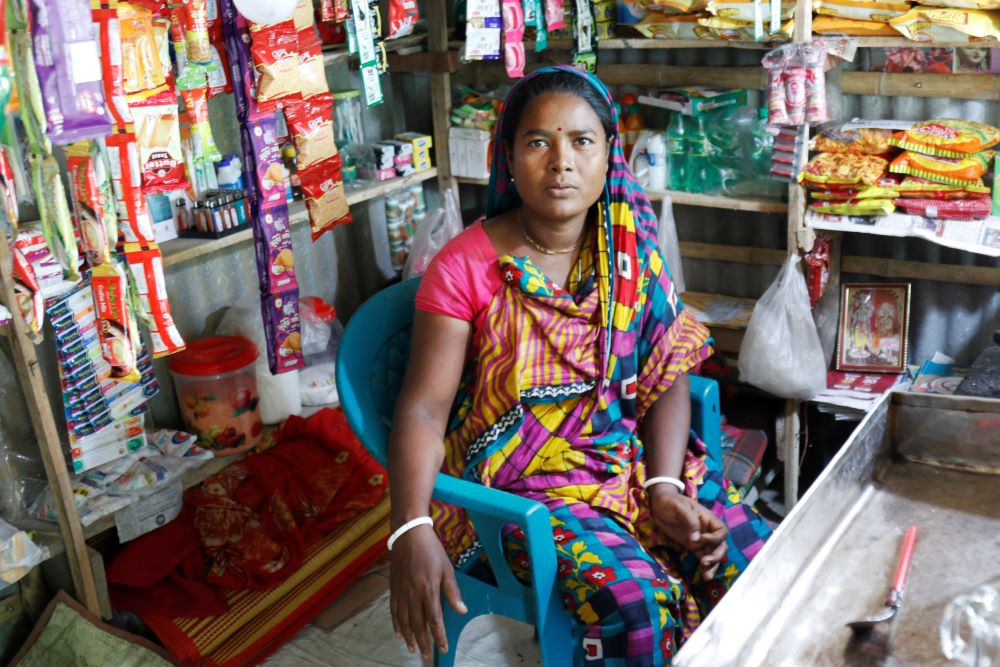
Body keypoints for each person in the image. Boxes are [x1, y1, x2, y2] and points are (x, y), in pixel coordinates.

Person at [386, 66, 772, 665]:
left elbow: (665, 371)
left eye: (581, 141)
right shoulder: (465, 266)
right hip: (521, 491)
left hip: (626, 465)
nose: (560, 161)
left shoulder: (629, 252)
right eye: (538, 141)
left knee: (755, 561)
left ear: (609, 155)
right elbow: (422, 407)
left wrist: (664, 487)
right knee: (636, 606)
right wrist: (410, 527)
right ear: (508, 157)